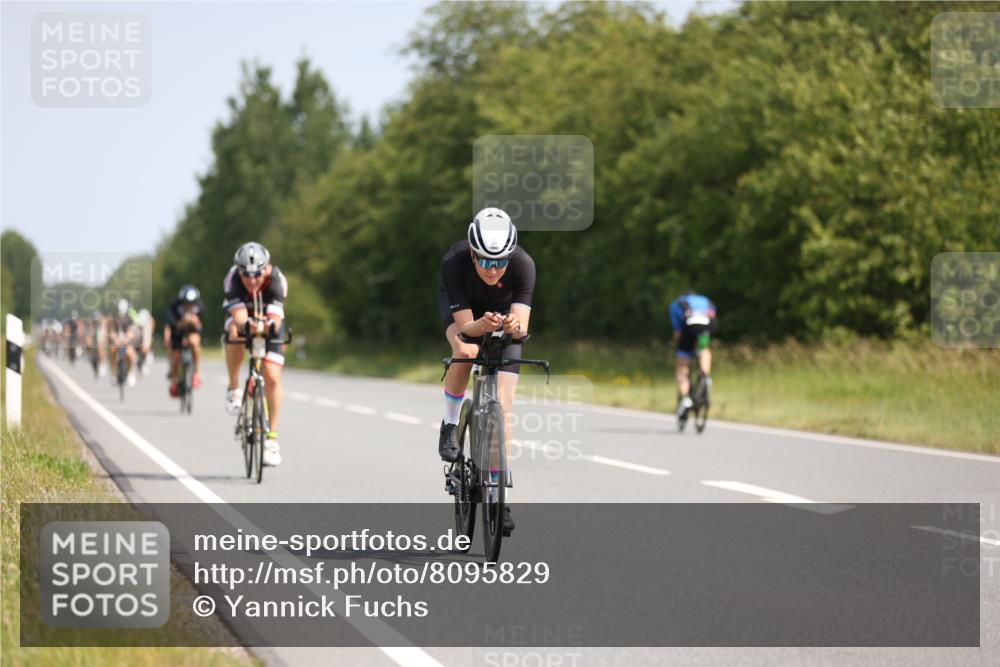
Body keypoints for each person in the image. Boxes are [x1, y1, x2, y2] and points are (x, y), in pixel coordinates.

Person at [437, 207, 533, 535]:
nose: (493, 270)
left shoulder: (523, 265)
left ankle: (497, 493)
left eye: (500, 262)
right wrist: (481, 324)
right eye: (486, 262)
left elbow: (522, 327)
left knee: (502, 409)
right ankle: (450, 424)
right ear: (473, 254)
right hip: (465, 313)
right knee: (466, 351)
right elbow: (466, 329)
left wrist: (513, 325)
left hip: (503, 315)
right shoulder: (454, 261)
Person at [223, 242, 288, 467]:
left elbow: (277, 321)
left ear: (266, 269)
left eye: (257, 275)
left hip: (269, 317)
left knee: (271, 376)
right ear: (238, 271)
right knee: (234, 333)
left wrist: (267, 326)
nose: (252, 280)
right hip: (244, 315)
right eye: (246, 275)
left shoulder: (277, 280)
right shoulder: (232, 280)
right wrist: (246, 326)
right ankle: (234, 388)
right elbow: (239, 317)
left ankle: (272, 440)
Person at [669, 290, 718, 418]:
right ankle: (705, 376)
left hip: (690, 325)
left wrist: (677, 346)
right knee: (704, 348)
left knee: (683, 366)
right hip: (709, 325)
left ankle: (685, 399)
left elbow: (678, 333)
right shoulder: (705, 300)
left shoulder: (677, 303)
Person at [164, 285, 204, 396]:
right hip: (177, 333)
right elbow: (171, 324)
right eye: (186, 303)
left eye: (191, 303)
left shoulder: (199, 306)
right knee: (176, 356)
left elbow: (200, 325)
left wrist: (194, 321)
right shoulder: (174, 308)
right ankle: (174, 382)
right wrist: (182, 323)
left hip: (192, 331)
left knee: (195, 342)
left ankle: (197, 372)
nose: (189, 305)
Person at [108, 298, 139, 386]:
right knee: (112, 350)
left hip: (127, 341)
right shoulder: (113, 319)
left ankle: (130, 373)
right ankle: (113, 374)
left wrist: (125, 340)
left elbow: (131, 332)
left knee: (130, 353)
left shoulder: (130, 319)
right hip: (117, 341)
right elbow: (112, 332)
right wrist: (116, 340)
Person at [135, 308, 156, 375]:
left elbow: (148, 338)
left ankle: (146, 359)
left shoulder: (150, 324)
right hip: (138, 337)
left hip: (147, 337)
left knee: (146, 346)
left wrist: (146, 347)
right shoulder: (136, 323)